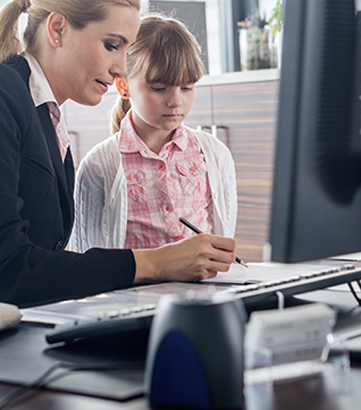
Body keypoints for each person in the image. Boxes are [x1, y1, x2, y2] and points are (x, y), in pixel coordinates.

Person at [0, 0, 237, 308]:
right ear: (58, 29)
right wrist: (154, 263)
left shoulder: (41, 115)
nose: (121, 68)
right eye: (112, 45)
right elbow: (4, 274)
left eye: (126, 49)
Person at [69, 14, 237, 254]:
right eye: (159, 88)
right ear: (124, 85)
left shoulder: (214, 155)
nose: (176, 101)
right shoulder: (100, 165)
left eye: (187, 87)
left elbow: (223, 237)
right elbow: (86, 256)